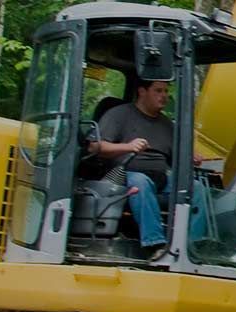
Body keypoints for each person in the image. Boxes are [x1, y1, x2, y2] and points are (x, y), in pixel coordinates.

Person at [89, 79, 210, 257]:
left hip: (160, 180)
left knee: (197, 188)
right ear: (142, 91)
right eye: (158, 91)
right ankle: (155, 243)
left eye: (166, 92)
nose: (164, 96)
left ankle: (193, 246)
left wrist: (191, 157)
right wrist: (128, 147)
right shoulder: (119, 115)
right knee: (140, 182)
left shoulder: (167, 125)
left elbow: (176, 159)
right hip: (123, 178)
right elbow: (94, 147)